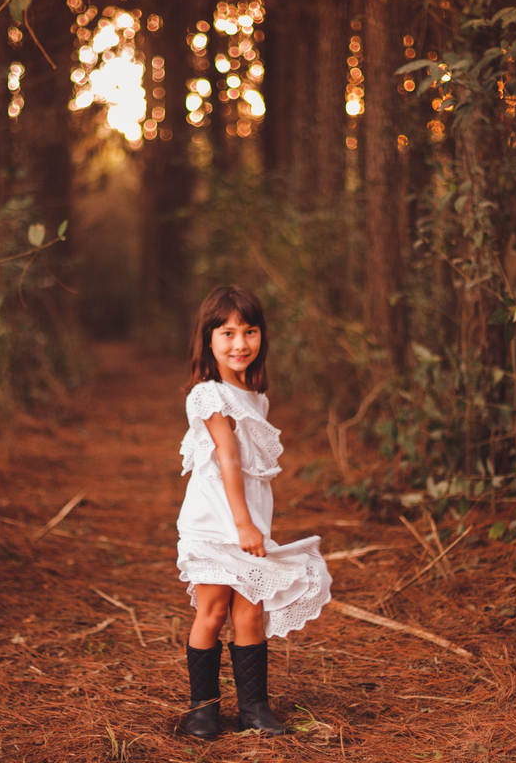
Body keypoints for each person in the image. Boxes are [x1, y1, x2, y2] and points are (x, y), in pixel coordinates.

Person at [176, 284, 332, 739]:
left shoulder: (255, 396)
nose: (240, 343)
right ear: (208, 340)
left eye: (249, 331)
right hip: (215, 521)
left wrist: (254, 525)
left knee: (250, 611)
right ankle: (203, 711)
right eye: (227, 333)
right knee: (212, 610)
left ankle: (254, 711)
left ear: (262, 335)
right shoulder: (208, 395)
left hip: (251, 522)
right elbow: (227, 459)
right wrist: (242, 524)